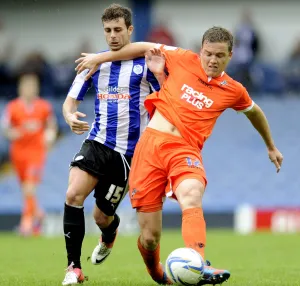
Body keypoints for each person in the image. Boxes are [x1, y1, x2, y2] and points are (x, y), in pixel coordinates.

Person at [75, 26, 284, 285]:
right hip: (150, 148)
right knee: (150, 237)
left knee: (192, 193)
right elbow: (141, 46)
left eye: (220, 56)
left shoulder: (234, 90)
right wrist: (100, 57)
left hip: (185, 150)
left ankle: (199, 263)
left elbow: (255, 112)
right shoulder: (183, 58)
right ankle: (157, 273)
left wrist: (270, 146)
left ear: (230, 56)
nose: (212, 60)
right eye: (208, 54)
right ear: (200, 51)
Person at [61, 4, 161, 285]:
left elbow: (165, 100)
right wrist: (70, 116)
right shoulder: (95, 64)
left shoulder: (145, 64)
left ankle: (109, 232)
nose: (113, 35)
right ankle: (74, 268)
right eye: (108, 30)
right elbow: (70, 102)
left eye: (118, 30)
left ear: (130, 30)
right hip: (97, 142)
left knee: (102, 217)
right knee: (73, 195)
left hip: (127, 155)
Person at [1, 72, 57, 236]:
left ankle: (26, 223)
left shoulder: (43, 106)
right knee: (26, 188)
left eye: (33, 86)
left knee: (29, 187)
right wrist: (15, 133)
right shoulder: (12, 107)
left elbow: (51, 125)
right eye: (26, 86)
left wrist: (50, 136)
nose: (29, 90)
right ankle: (38, 214)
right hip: (18, 152)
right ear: (20, 88)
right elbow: (6, 129)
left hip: (36, 151)